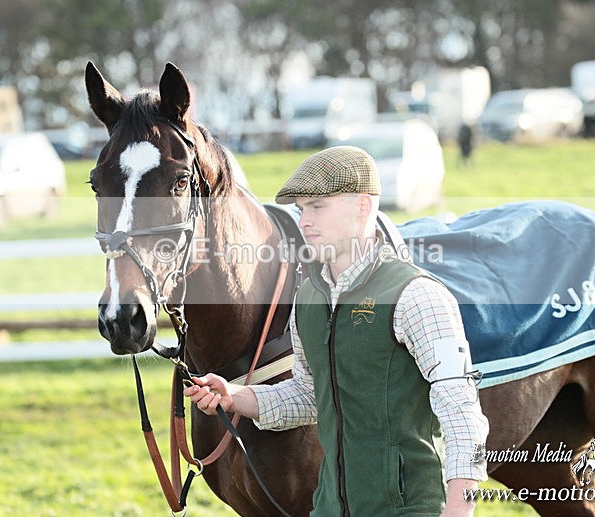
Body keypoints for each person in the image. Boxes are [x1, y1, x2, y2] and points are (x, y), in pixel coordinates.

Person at [185, 146, 489, 516]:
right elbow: (310, 396)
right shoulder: (308, 298)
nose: (304, 222)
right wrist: (236, 396)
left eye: (317, 207)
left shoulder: (419, 296)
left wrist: (459, 509)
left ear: (363, 206)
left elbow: (463, 413)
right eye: (301, 209)